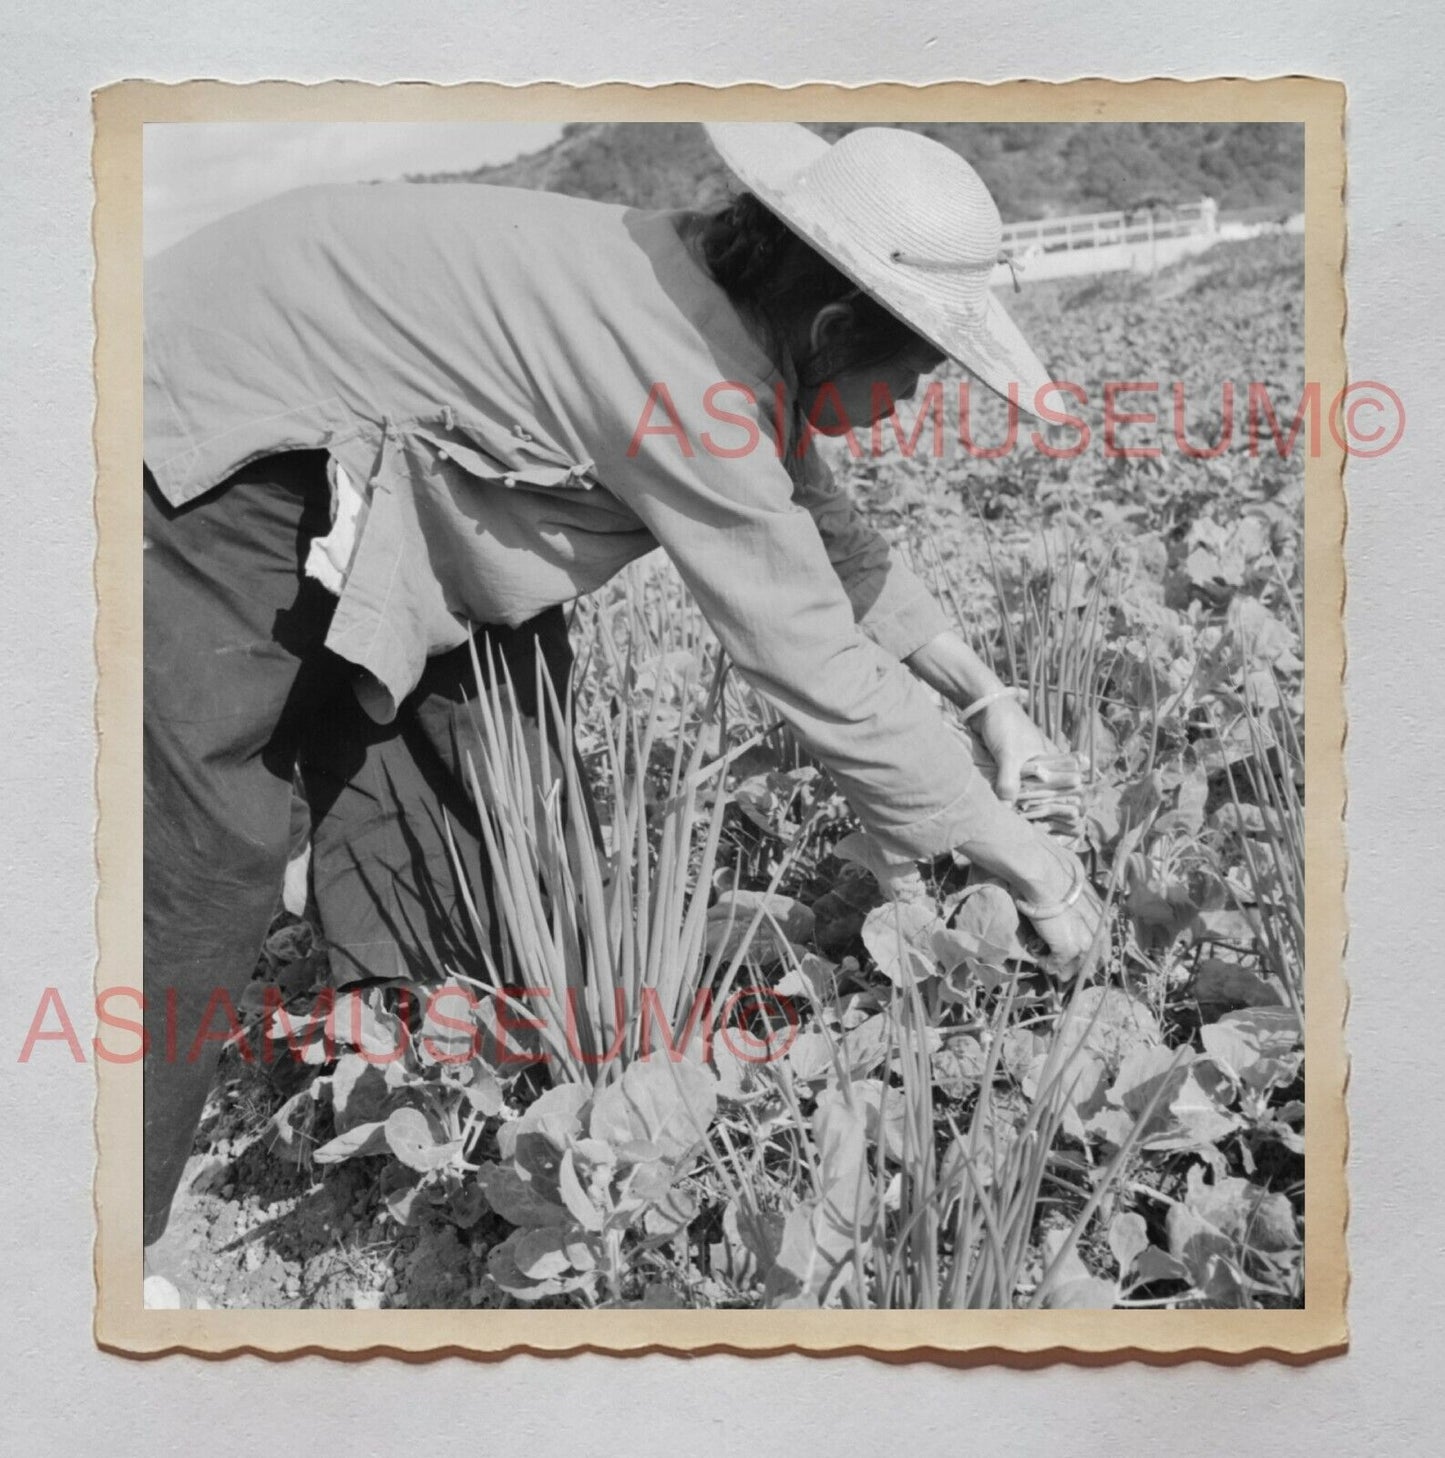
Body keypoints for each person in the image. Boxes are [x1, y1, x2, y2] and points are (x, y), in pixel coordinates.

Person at [141, 122, 1101, 1252]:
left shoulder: (724, 311)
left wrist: (989, 703)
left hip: (375, 410)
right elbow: (805, 653)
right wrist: (1024, 858)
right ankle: (102, 1232)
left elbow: (827, 539)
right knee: (209, 841)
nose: (911, 403)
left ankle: (433, 1051)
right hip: (220, 397)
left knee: (494, 736)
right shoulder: (685, 367)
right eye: (916, 376)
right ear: (835, 328)